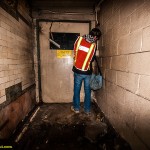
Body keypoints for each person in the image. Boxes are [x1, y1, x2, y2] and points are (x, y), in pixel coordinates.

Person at [71, 28, 102, 114]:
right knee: (87, 91)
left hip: (77, 70)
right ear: (95, 37)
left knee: (76, 90)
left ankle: (76, 108)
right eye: (97, 38)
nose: (97, 39)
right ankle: (87, 110)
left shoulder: (79, 39)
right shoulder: (93, 45)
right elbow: (91, 59)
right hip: (87, 72)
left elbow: (75, 51)